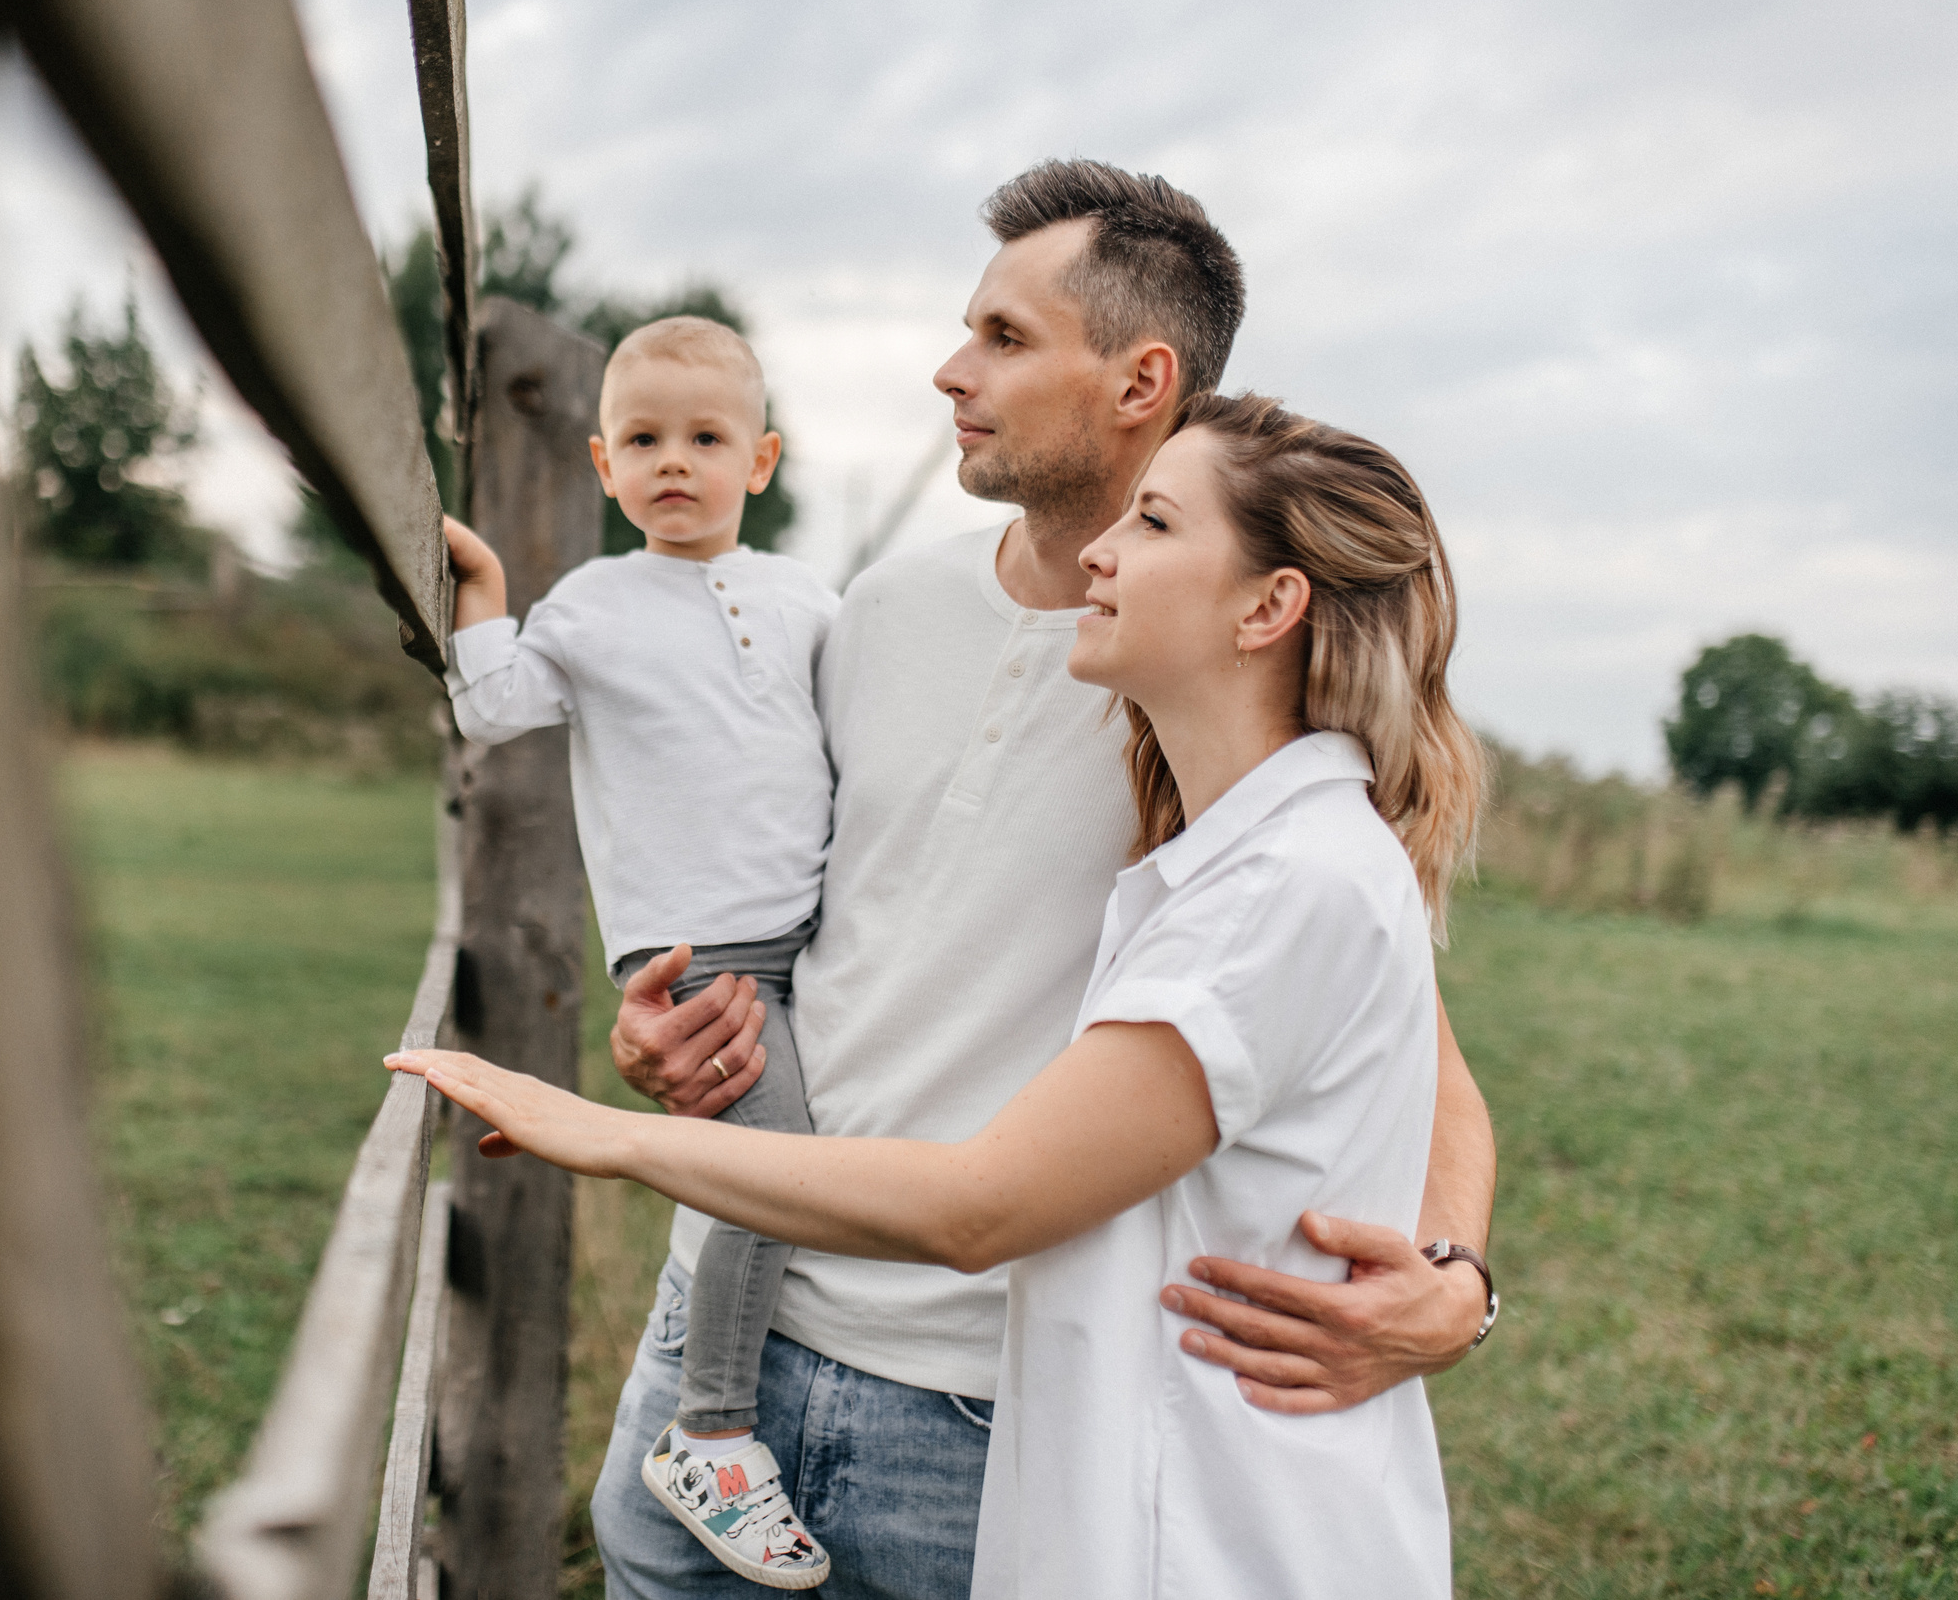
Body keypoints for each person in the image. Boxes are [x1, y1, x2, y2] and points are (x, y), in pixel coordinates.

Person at [579, 161, 1499, 1598]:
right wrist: (668, 1026)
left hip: (981, 1407)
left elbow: (1410, 1043)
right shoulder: (875, 612)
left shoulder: (1227, 695)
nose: (953, 369)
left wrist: (1453, 1280)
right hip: (725, 1335)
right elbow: (798, 922)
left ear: (1142, 380)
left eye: (1004, 338)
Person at [439, 315, 841, 1586]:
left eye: (706, 437)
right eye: (645, 440)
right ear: (605, 467)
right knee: (769, 1165)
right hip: (698, 954)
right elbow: (494, 706)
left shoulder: (808, 598)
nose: (676, 460)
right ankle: (712, 1429)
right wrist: (485, 602)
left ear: (760, 460)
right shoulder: (593, 606)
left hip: (814, 934)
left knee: (807, 1157)